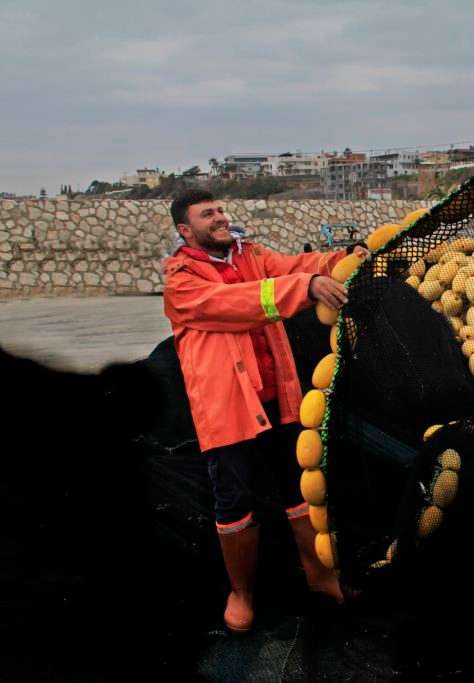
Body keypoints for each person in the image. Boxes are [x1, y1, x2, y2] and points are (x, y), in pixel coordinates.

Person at [162, 189, 368, 633]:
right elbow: (236, 304)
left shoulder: (251, 255)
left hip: (278, 400)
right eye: (207, 214)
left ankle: (321, 578)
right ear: (185, 230)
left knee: (301, 489)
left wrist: (339, 260)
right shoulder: (182, 281)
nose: (219, 217)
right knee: (234, 501)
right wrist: (304, 288)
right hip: (228, 410)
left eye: (219, 210)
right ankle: (242, 594)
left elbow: (295, 267)